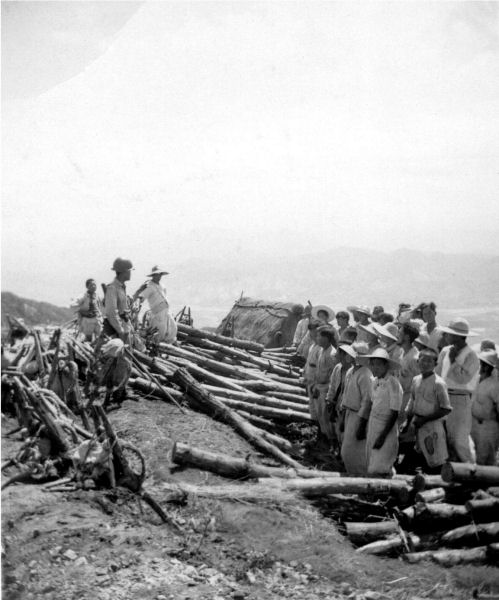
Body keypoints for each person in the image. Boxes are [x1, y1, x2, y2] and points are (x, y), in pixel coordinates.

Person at [436, 318, 480, 463]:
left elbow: (463, 379)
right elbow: (437, 373)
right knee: (445, 438)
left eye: (449, 334)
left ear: (457, 336)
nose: (446, 336)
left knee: (459, 439)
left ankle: (469, 470)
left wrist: (455, 361)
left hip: (460, 399)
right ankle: (451, 472)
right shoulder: (445, 351)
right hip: (443, 396)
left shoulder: (471, 356)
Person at [404, 348, 452, 472]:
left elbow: (445, 409)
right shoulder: (416, 380)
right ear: (418, 362)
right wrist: (407, 420)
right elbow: (412, 400)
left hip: (432, 425)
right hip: (417, 423)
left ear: (435, 365)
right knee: (418, 455)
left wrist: (425, 419)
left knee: (435, 459)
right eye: (422, 360)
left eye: (429, 362)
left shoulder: (439, 383)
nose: (425, 364)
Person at [364, 348, 403, 477]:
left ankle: (384, 492)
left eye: (378, 364)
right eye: (372, 364)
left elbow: (394, 412)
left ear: (386, 365)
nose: (374, 368)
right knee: (372, 459)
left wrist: (383, 436)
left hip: (386, 427)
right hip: (373, 424)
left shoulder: (393, 383)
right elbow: (373, 403)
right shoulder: (374, 382)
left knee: (381, 464)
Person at [340, 342, 373, 475]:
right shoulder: (350, 371)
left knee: (354, 450)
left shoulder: (365, 374)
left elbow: (367, 401)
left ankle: (361, 476)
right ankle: (353, 474)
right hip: (349, 412)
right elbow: (345, 394)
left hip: (359, 415)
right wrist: (343, 417)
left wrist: (361, 424)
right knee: (347, 449)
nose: (347, 356)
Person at [133, 265, 177, 344]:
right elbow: (141, 297)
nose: (159, 276)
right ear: (153, 275)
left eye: (160, 274)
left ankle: (168, 348)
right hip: (157, 313)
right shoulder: (149, 286)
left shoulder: (162, 286)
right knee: (159, 332)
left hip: (166, 312)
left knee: (172, 329)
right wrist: (137, 303)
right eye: (157, 274)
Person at [325, 344, 356, 452]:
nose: (335, 354)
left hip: (346, 407)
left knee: (344, 432)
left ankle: (343, 455)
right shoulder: (338, 367)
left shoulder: (353, 372)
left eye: (338, 352)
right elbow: (332, 385)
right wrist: (329, 399)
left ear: (344, 355)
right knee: (335, 429)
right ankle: (336, 449)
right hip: (336, 404)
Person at [471, 350, 499, 465]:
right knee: (474, 457)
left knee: (486, 458)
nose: (482, 366)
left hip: (488, 426)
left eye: (484, 364)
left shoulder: (495, 385)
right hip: (473, 425)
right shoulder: (476, 379)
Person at [310, 327, 337, 443]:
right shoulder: (322, 351)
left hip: (326, 388)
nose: (317, 338)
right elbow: (319, 370)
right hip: (320, 386)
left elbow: (334, 376)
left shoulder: (332, 354)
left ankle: (330, 440)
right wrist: (316, 385)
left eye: (319, 336)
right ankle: (324, 436)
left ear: (326, 338)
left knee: (326, 416)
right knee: (320, 414)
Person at [103, 258, 134, 342]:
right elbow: (111, 312)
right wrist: (120, 330)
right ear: (124, 272)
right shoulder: (112, 288)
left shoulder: (121, 287)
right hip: (117, 332)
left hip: (125, 329)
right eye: (129, 271)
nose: (131, 273)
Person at [398, 322, 421, 417]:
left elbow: (420, 385)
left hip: (408, 402)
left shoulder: (415, 358)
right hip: (399, 398)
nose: (397, 336)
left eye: (399, 334)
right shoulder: (402, 352)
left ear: (407, 337)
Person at [302, 321, 322, 426]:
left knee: (318, 407)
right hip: (310, 380)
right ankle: (314, 427)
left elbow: (321, 368)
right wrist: (305, 374)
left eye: (315, 332)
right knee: (312, 406)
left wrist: (316, 384)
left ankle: (321, 430)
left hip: (316, 382)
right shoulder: (312, 346)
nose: (313, 335)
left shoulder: (321, 349)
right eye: (311, 332)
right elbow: (308, 363)